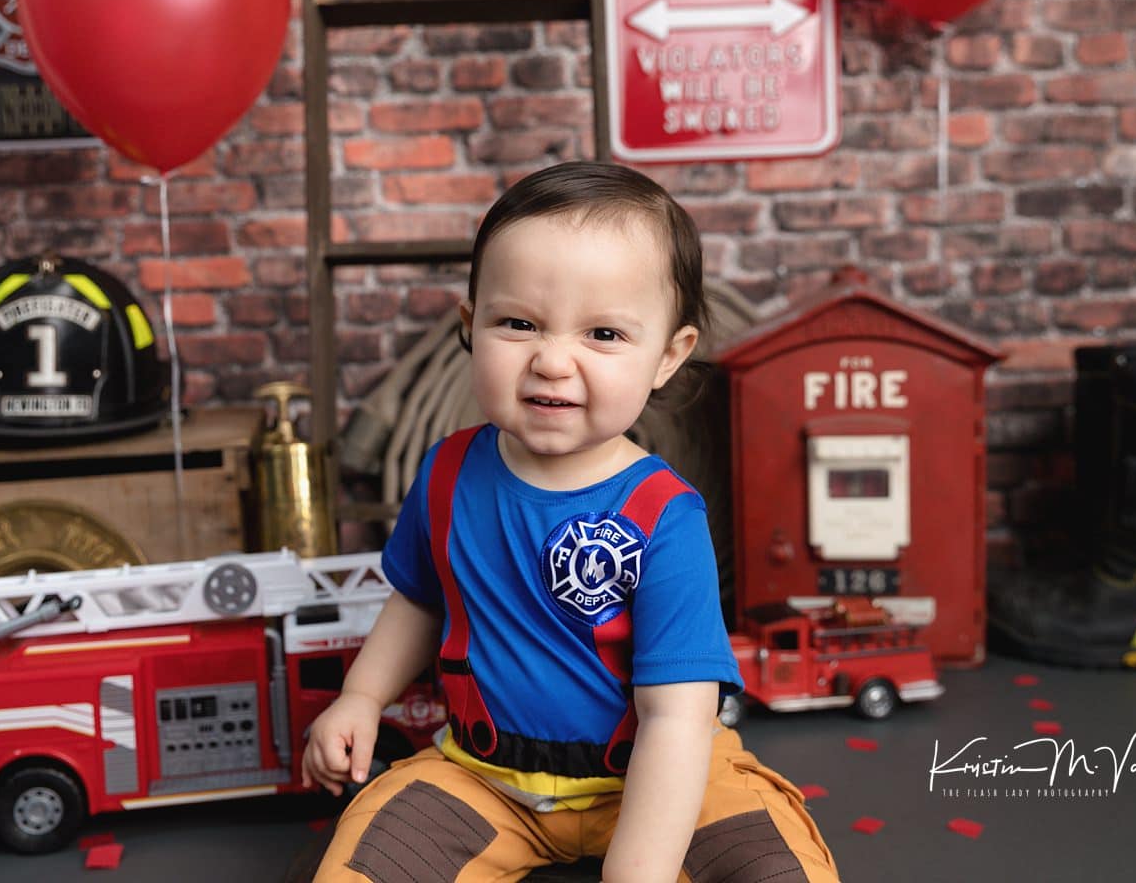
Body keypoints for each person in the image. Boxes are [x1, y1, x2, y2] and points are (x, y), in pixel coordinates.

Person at [304, 161, 839, 883]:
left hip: (655, 778)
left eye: (604, 334)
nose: (552, 361)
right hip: (487, 776)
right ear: (471, 328)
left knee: (782, 870)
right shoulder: (449, 475)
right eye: (518, 323)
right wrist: (362, 698)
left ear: (668, 357)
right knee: (361, 866)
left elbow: (677, 720)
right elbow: (422, 600)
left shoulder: (665, 517)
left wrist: (637, 873)